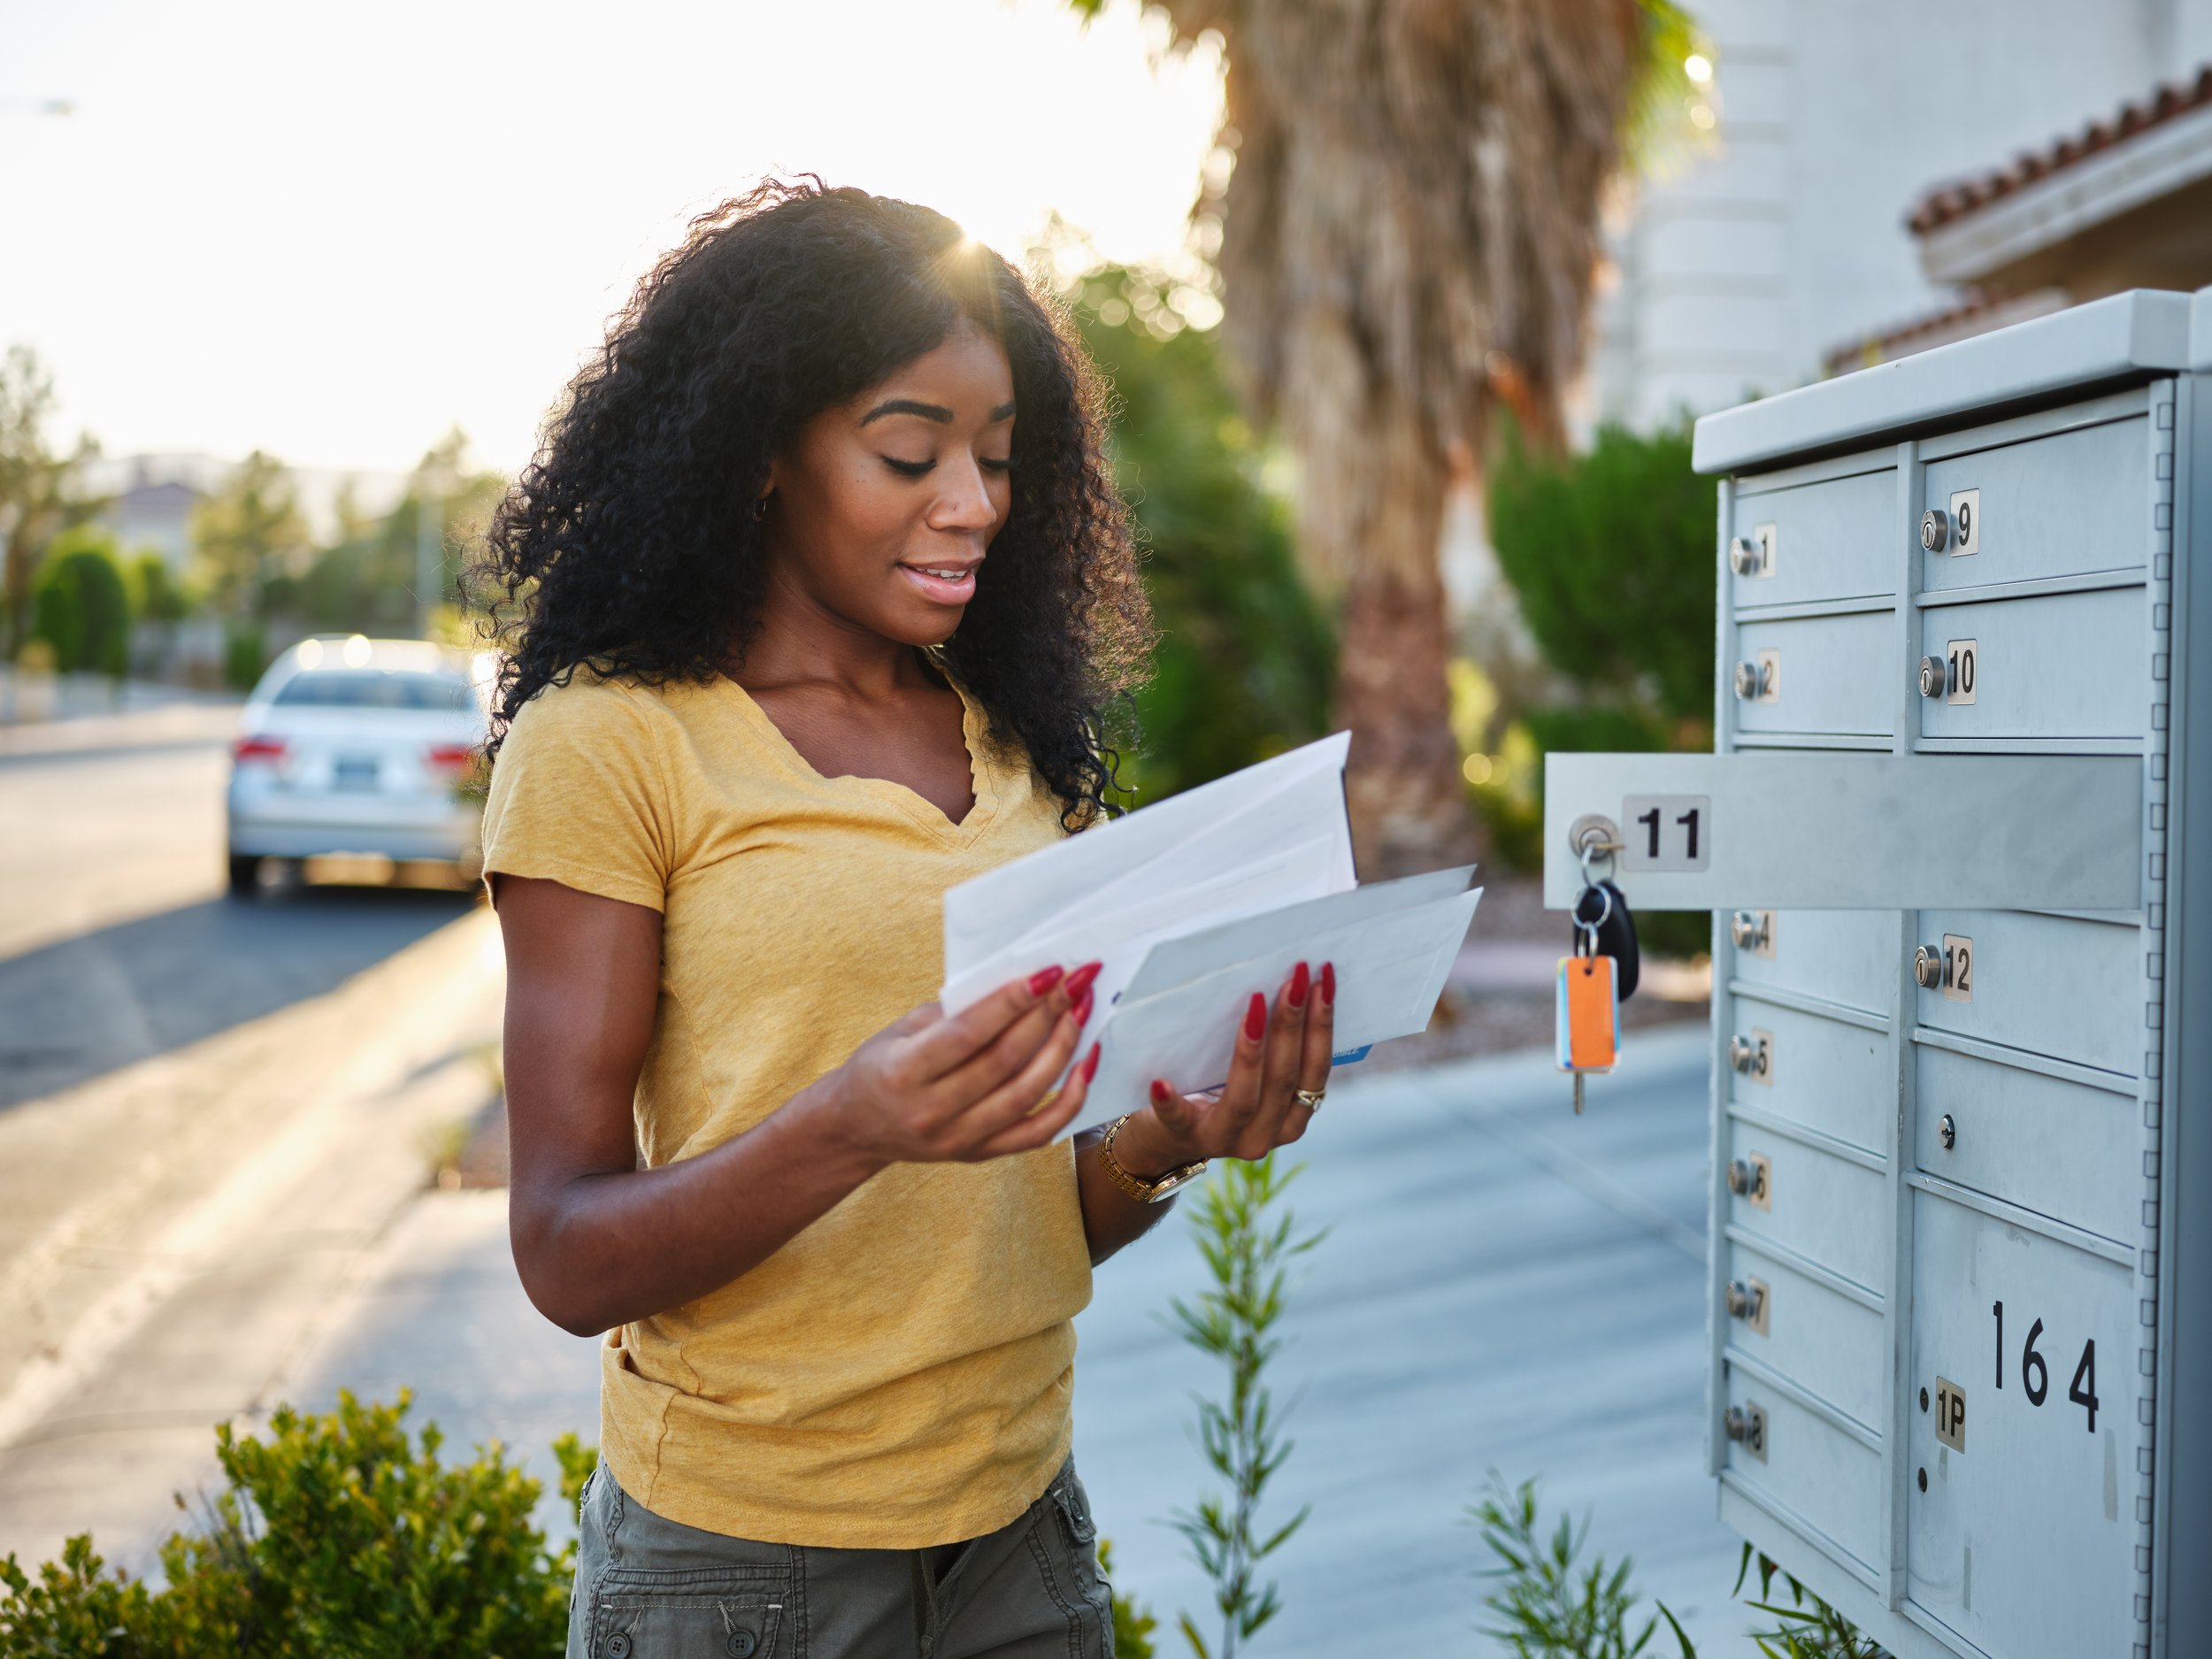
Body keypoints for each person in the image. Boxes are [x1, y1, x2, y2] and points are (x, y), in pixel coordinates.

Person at [476, 179, 1342, 1659]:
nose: (975, 504)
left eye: (1000, 459)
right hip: (743, 1571)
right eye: (907, 452)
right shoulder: (615, 742)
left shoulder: (1013, 746)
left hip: (1021, 1539)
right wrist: (854, 1121)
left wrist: (1156, 1146)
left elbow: (1006, 1225)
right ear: (760, 455)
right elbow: (565, 1251)